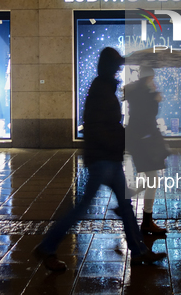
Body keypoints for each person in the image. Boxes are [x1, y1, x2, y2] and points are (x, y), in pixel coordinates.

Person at [33, 47, 166, 271]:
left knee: (124, 206)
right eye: (116, 67)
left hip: (109, 158)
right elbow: (97, 127)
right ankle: (47, 246)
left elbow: (109, 125)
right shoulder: (101, 90)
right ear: (109, 68)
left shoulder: (104, 87)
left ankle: (139, 251)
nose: (118, 71)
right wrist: (118, 141)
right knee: (83, 207)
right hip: (103, 159)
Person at [124, 66, 169, 235]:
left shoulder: (138, 91)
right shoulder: (142, 93)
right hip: (143, 143)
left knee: (152, 179)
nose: (154, 81)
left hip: (141, 142)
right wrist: (155, 100)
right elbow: (145, 116)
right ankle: (147, 221)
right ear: (146, 78)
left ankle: (130, 194)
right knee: (153, 180)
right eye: (152, 78)